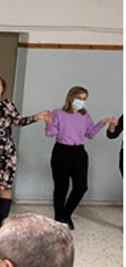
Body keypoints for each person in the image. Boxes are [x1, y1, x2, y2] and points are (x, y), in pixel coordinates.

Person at [0, 75, 50, 233]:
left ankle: (4, 220)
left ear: (3, 88)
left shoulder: (8, 104)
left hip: (6, 148)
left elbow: (18, 121)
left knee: (6, 184)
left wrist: (36, 117)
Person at [45, 86, 116, 229]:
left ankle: (66, 214)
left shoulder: (85, 116)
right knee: (61, 187)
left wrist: (102, 122)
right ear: (71, 98)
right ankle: (59, 218)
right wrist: (48, 121)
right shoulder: (58, 113)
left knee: (81, 187)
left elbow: (90, 134)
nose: (82, 101)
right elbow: (50, 133)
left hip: (79, 153)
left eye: (84, 99)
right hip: (61, 151)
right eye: (79, 98)